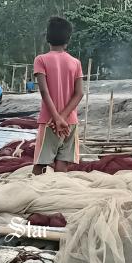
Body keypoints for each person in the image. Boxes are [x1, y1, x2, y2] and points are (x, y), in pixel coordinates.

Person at [31, 17, 85, 175]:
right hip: (70, 123)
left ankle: (38, 196)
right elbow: (79, 93)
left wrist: (56, 118)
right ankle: (58, 194)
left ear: (48, 37)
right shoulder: (76, 63)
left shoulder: (40, 60)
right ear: (68, 39)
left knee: (40, 164)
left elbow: (44, 91)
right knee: (62, 164)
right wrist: (63, 117)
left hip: (50, 122)